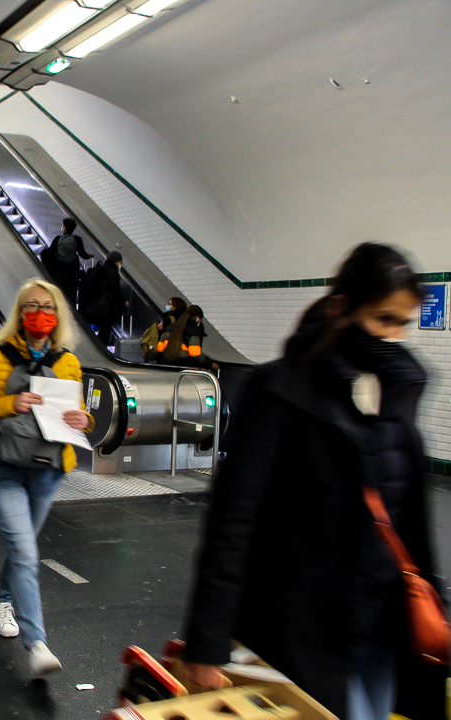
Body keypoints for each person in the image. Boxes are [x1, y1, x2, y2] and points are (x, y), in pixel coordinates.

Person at [183, 243, 446, 720]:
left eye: (403, 324)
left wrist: (434, 605)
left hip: (384, 626)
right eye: (384, 319)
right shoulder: (279, 391)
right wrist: (208, 638)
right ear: (343, 307)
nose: (394, 336)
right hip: (305, 627)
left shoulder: (398, 391)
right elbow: (233, 519)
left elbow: (408, 516)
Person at [0, 279, 94, 678]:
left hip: (47, 471)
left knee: (23, 548)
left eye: (49, 308)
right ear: (19, 312)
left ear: (58, 317)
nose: (41, 314)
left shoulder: (67, 361)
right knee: (24, 551)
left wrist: (83, 419)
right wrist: (10, 403)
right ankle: (36, 644)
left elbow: (80, 413)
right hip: (3, 469)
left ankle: (3, 599)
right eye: (32, 307)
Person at [78, 250, 128, 347]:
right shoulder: (112, 272)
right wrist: (122, 302)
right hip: (102, 308)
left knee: (103, 328)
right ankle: (99, 349)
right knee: (106, 330)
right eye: (120, 262)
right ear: (116, 261)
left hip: (91, 306)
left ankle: (96, 347)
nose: (120, 265)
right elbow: (115, 290)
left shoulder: (100, 269)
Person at [154, 304, 218, 371]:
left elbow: (159, 348)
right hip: (185, 366)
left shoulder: (170, 327)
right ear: (197, 318)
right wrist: (210, 364)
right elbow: (194, 353)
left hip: (167, 364)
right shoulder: (194, 329)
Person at [42, 218, 90, 304]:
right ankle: (72, 314)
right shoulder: (77, 239)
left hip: (59, 271)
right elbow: (83, 254)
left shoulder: (58, 239)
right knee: (71, 294)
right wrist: (88, 256)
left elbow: (51, 252)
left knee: (59, 293)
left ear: (64, 227)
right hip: (73, 272)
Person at [140, 297, 187, 362]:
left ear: (175, 307)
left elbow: (162, 335)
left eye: (169, 304)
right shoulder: (184, 319)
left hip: (165, 350)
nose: (167, 305)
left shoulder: (169, 319)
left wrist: (159, 329)